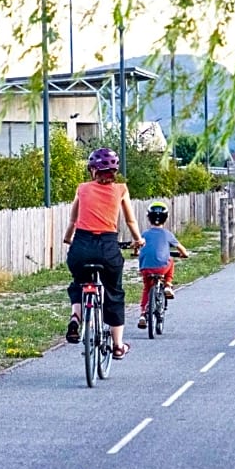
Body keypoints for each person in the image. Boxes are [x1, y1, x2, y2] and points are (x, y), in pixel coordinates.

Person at [62, 147, 145, 360]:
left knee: (78, 283)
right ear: (114, 171)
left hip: (81, 244)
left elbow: (73, 220)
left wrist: (67, 238)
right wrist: (138, 239)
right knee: (114, 293)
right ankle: (117, 346)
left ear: (92, 170)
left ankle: (75, 317)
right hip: (108, 247)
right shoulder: (121, 190)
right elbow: (130, 220)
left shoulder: (82, 189)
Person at [136, 201, 189, 329]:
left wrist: (136, 252)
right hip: (162, 267)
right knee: (170, 260)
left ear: (149, 218)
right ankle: (168, 285)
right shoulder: (167, 234)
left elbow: (138, 246)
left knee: (147, 289)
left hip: (146, 268)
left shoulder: (144, 234)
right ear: (165, 219)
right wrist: (184, 254)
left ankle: (143, 314)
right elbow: (181, 248)